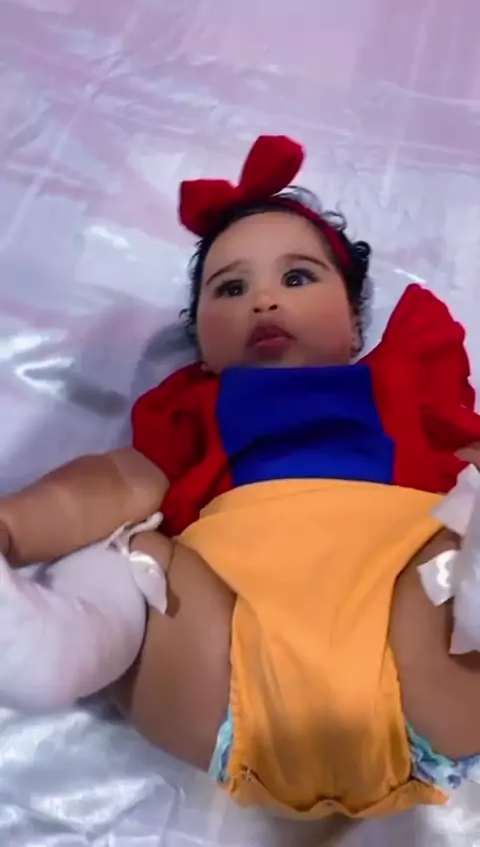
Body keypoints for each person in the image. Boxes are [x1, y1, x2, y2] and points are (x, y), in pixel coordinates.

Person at [1, 134, 480, 819]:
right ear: (201, 340)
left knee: (458, 529)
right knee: (133, 548)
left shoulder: (404, 388)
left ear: (354, 323)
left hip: (423, 672)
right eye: (231, 287)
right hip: (226, 686)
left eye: (297, 278)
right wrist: (14, 525)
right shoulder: (195, 413)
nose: (263, 300)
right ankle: (59, 646)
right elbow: (109, 486)